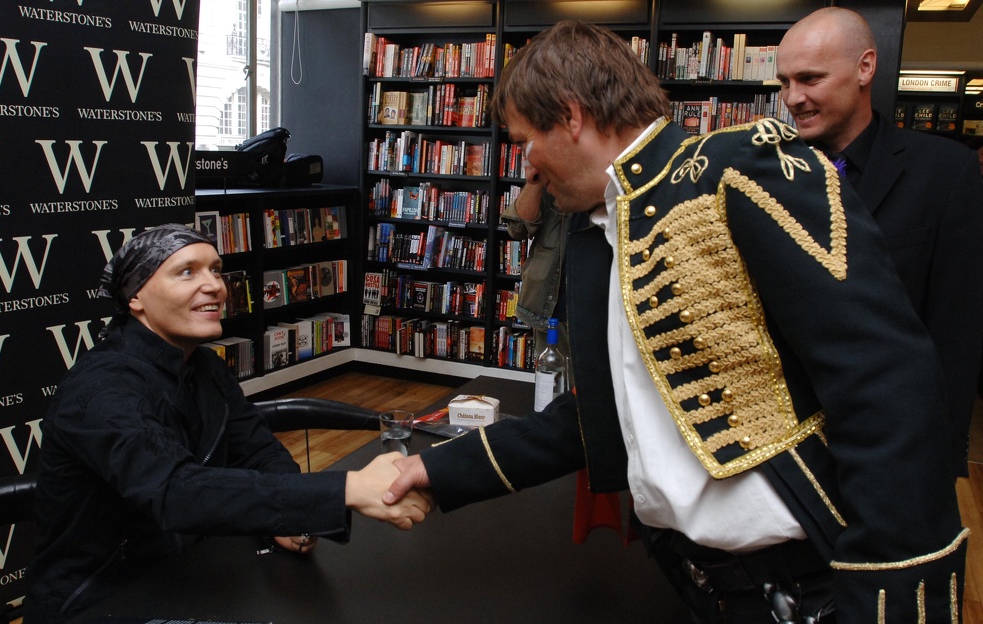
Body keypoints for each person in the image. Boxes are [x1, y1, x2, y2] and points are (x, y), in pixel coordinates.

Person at [385, 20, 967, 623]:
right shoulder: (601, 232)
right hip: (688, 576)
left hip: (802, 585)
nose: (526, 161)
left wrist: (890, 599)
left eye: (525, 139)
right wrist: (432, 468)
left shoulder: (739, 172)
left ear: (571, 115)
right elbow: (598, 418)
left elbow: (885, 385)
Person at [23, 224, 432, 624]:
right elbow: (175, 491)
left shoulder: (201, 365)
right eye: (187, 271)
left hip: (190, 576)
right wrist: (348, 487)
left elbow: (255, 447)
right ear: (135, 297)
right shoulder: (102, 391)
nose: (215, 286)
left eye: (215, 270)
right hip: (101, 599)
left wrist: (292, 520)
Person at [776, 7, 983, 477]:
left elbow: (956, 333)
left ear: (865, 68)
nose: (793, 98)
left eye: (809, 78)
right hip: (792, 455)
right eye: (784, 82)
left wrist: (937, 463)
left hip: (897, 451)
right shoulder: (772, 175)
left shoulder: (945, 173)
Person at [501, 183, 575, 358]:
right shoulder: (550, 178)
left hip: (597, 304)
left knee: (594, 381)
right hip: (551, 305)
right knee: (551, 379)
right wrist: (536, 177)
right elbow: (517, 230)